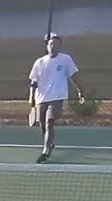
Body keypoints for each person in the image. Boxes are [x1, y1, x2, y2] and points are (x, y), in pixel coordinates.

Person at [28, 32, 85, 164]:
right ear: (47, 46)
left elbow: (73, 76)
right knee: (42, 124)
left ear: (60, 46)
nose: (54, 46)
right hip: (41, 98)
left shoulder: (66, 60)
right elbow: (33, 82)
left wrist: (80, 90)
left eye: (57, 44)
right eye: (51, 44)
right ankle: (49, 143)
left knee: (49, 121)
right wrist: (31, 98)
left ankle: (45, 151)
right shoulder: (39, 62)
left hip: (58, 97)